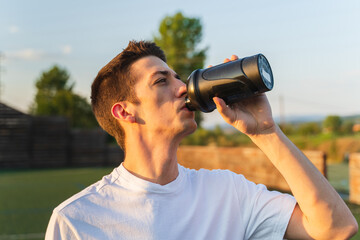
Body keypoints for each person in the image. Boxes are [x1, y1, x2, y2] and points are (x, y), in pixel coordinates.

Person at [45, 40, 358, 239]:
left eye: (179, 77)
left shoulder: (229, 193)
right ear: (124, 112)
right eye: (161, 82)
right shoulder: (76, 220)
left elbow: (336, 228)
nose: (183, 88)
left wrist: (266, 131)